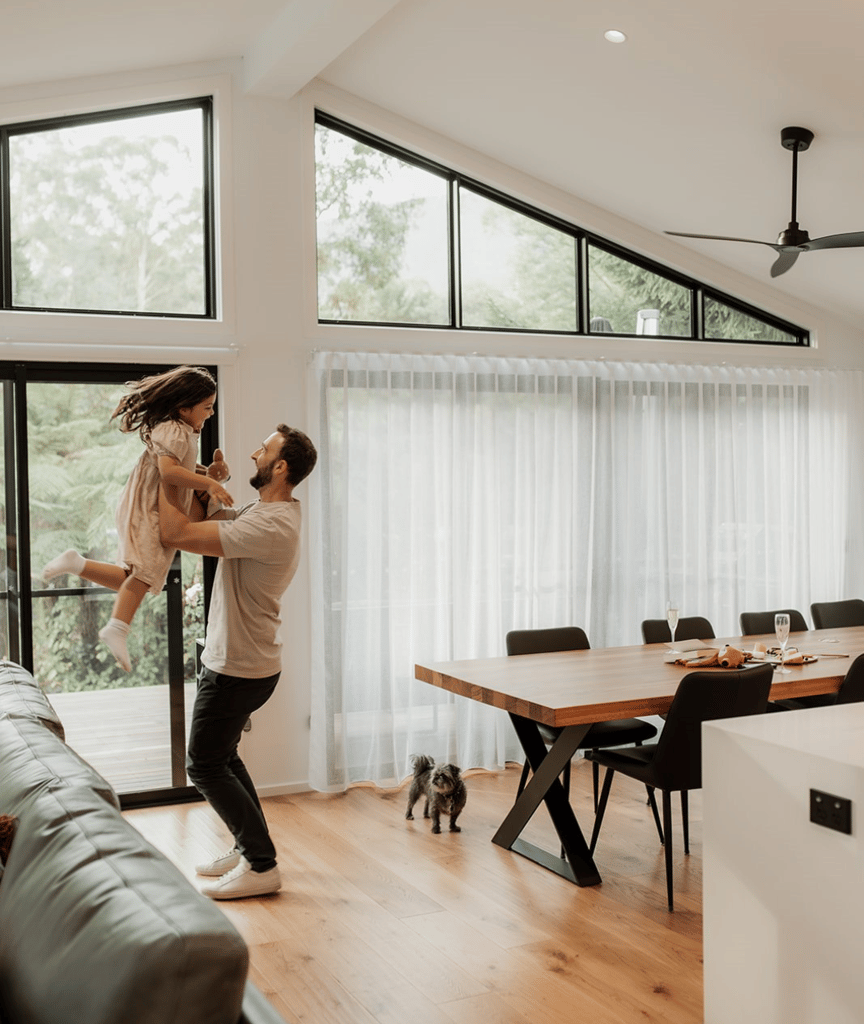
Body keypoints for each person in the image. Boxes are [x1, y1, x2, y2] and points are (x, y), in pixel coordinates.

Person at [158, 423, 317, 900]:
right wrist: (213, 483)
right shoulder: (268, 510)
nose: (254, 453)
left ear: (281, 466)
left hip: (237, 667)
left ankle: (262, 865)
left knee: (203, 764)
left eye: (263, 450)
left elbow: (176, 533)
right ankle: (249, 846)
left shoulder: (269, 523)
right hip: (245, 661)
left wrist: (167, 473)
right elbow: (224, 520)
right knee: (223, 756)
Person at [41, 366, 233, 673]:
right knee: (144, 574)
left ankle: (77, 563)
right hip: (149, 507)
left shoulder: (180, 430)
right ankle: (117, 628)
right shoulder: (172, 429)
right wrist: (209, 485)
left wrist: (209, 474)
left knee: (135, 577)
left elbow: (181, 466)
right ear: (184, 408)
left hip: (150, 504)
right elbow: (170, 472)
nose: (210, 414)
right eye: (207, 408)